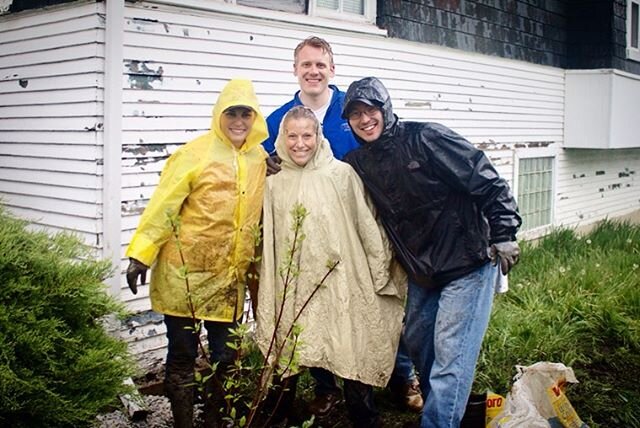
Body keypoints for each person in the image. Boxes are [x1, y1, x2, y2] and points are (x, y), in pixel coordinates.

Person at [341, 77, 522, 428]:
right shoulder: (359, 163)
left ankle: (438, 421)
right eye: (356, 114)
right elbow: (323, 174)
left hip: (467, 262)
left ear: (386, 109)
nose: (365, 120)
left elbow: (485, 178)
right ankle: (442, 407)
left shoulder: (425, 138)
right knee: (421, 345)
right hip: (423, 272)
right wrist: (277, 163)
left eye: (371, 110)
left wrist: (504, 232)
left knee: (451, 356)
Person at [263, 35, 424, 416]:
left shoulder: (349, 109)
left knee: (374, 299)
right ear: (295, 70)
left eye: (320, 64)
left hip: (370, 213)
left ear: (331, 69)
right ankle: (326, 384)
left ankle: (401, 376)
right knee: (318, 307)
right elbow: (272, 164)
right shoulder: (278, 119)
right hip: (314, 231)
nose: (313, 71)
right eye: (306, 64)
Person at [125, 79, 268, 428]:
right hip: (184, 274)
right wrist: (141, 253)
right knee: (183, 355)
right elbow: (164, 206)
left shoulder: (261, 158)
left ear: (255, 117)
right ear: (219, 115)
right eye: (231, 112)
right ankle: (184, 423)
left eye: (245, 113)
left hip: (228, 278)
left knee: (227, 358)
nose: (238, 120)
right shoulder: (194, 153)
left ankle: (216, 421)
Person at [255, 105, 406, 428]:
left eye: (307, 135)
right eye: (291, 136)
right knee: (289, 348)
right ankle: (278, 415)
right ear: (281, 137)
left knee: (349, 345)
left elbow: (368, 225)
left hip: (341, 283)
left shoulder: (341, 175)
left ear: (318, 135)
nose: (299, 144)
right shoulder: (272, 181)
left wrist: (382, 272)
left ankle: (364, 418)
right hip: (292, 285)